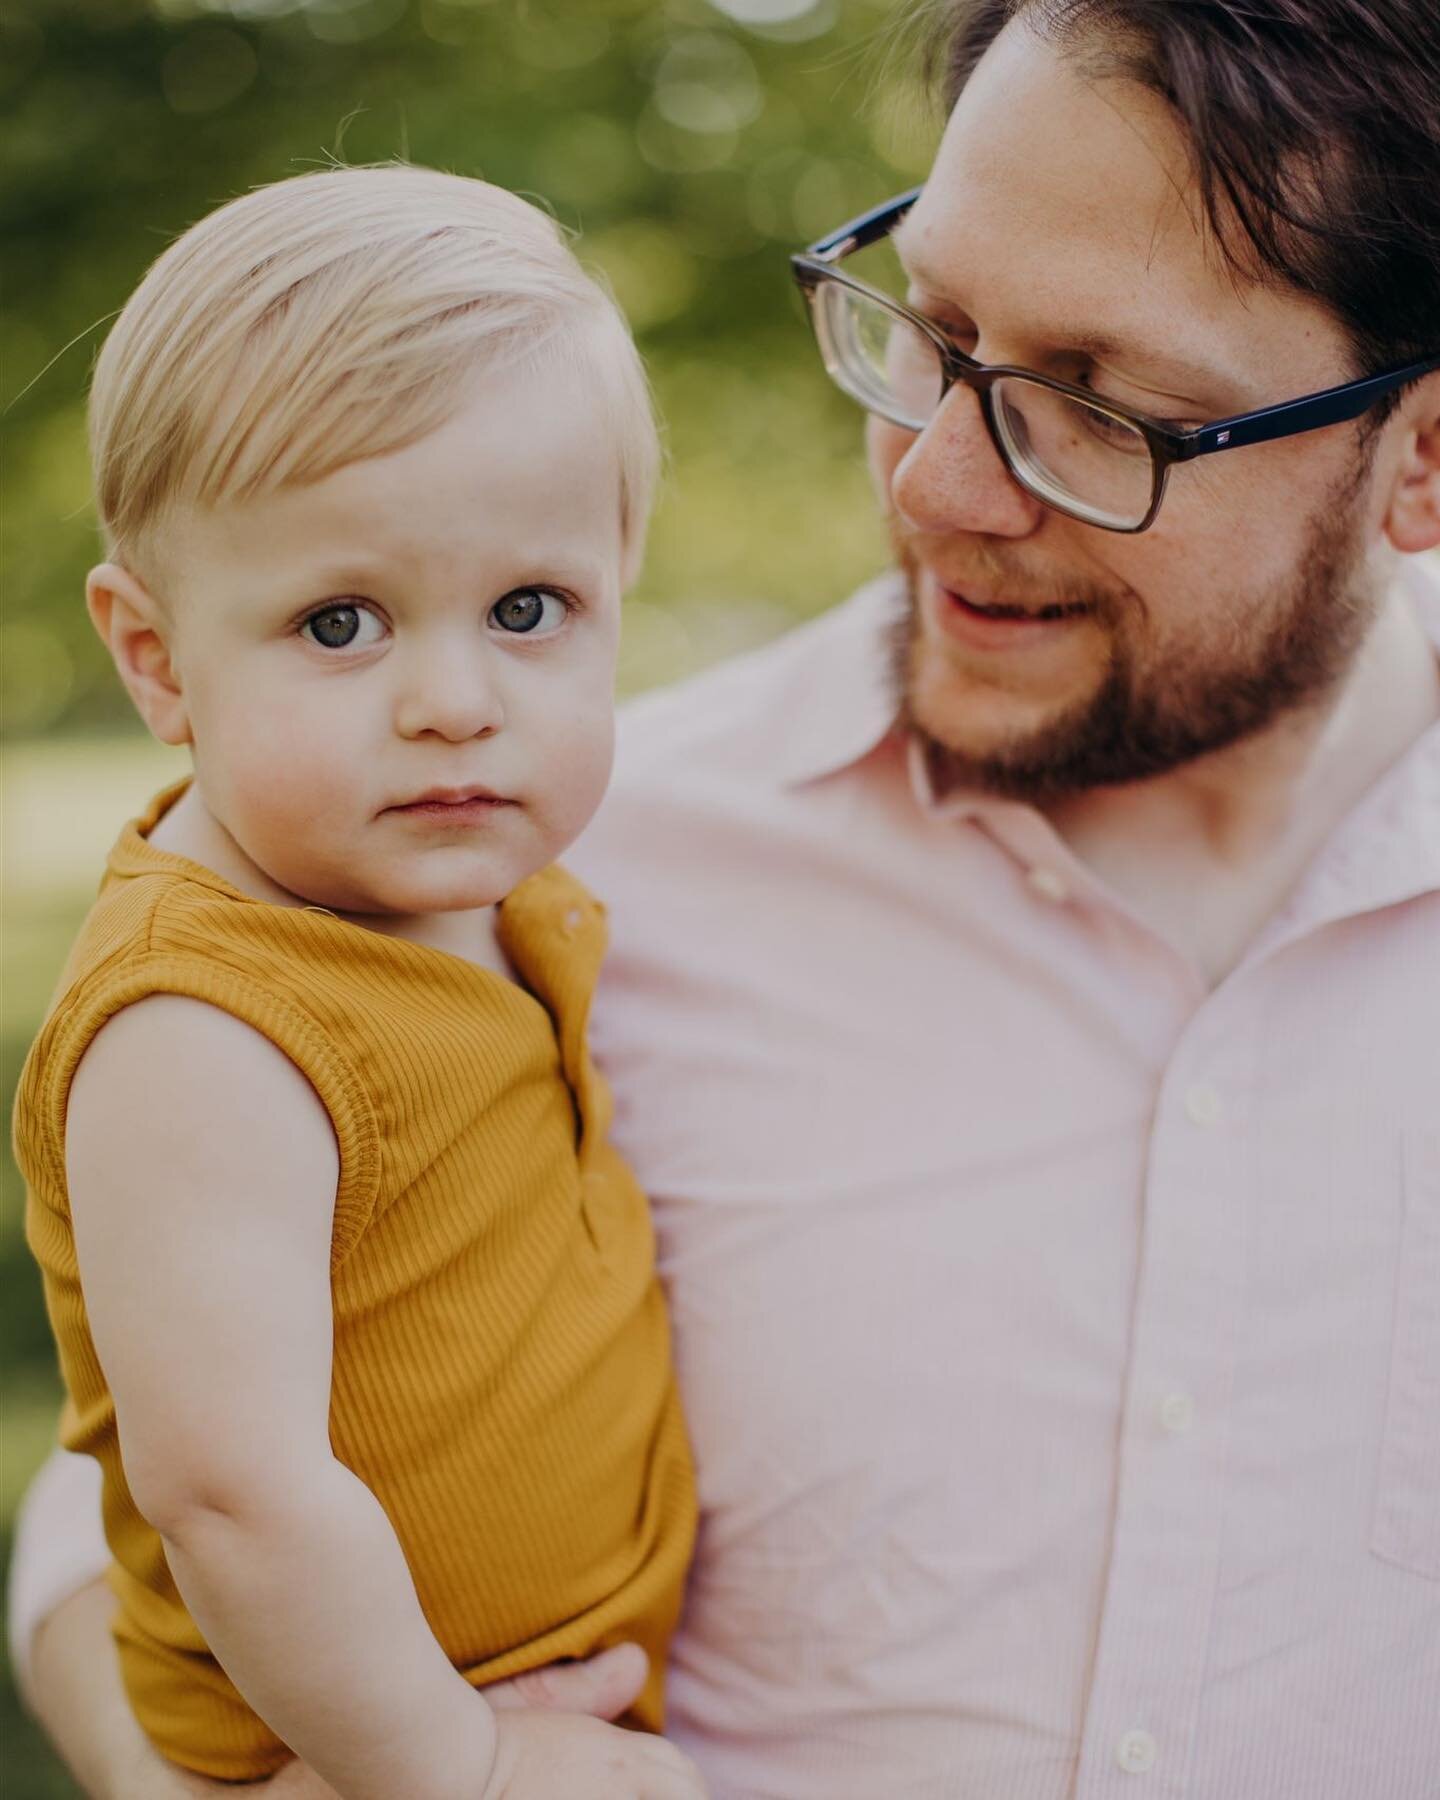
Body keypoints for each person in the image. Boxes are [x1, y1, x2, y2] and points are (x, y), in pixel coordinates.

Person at [12, 1, 1440, 1795]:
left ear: (1423, 457)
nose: (934, 480)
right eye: (931, 334)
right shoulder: (512, 851)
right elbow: (153, 1465)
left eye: (1101, 411)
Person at [9, 166, 704, 1800]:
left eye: (530, 610)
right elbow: (232, 1492)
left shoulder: (481, 893)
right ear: (158, 657)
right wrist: (453, 1765)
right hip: (335, 1748)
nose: (454, 699)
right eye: (341, 624)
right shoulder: (203, 1029)